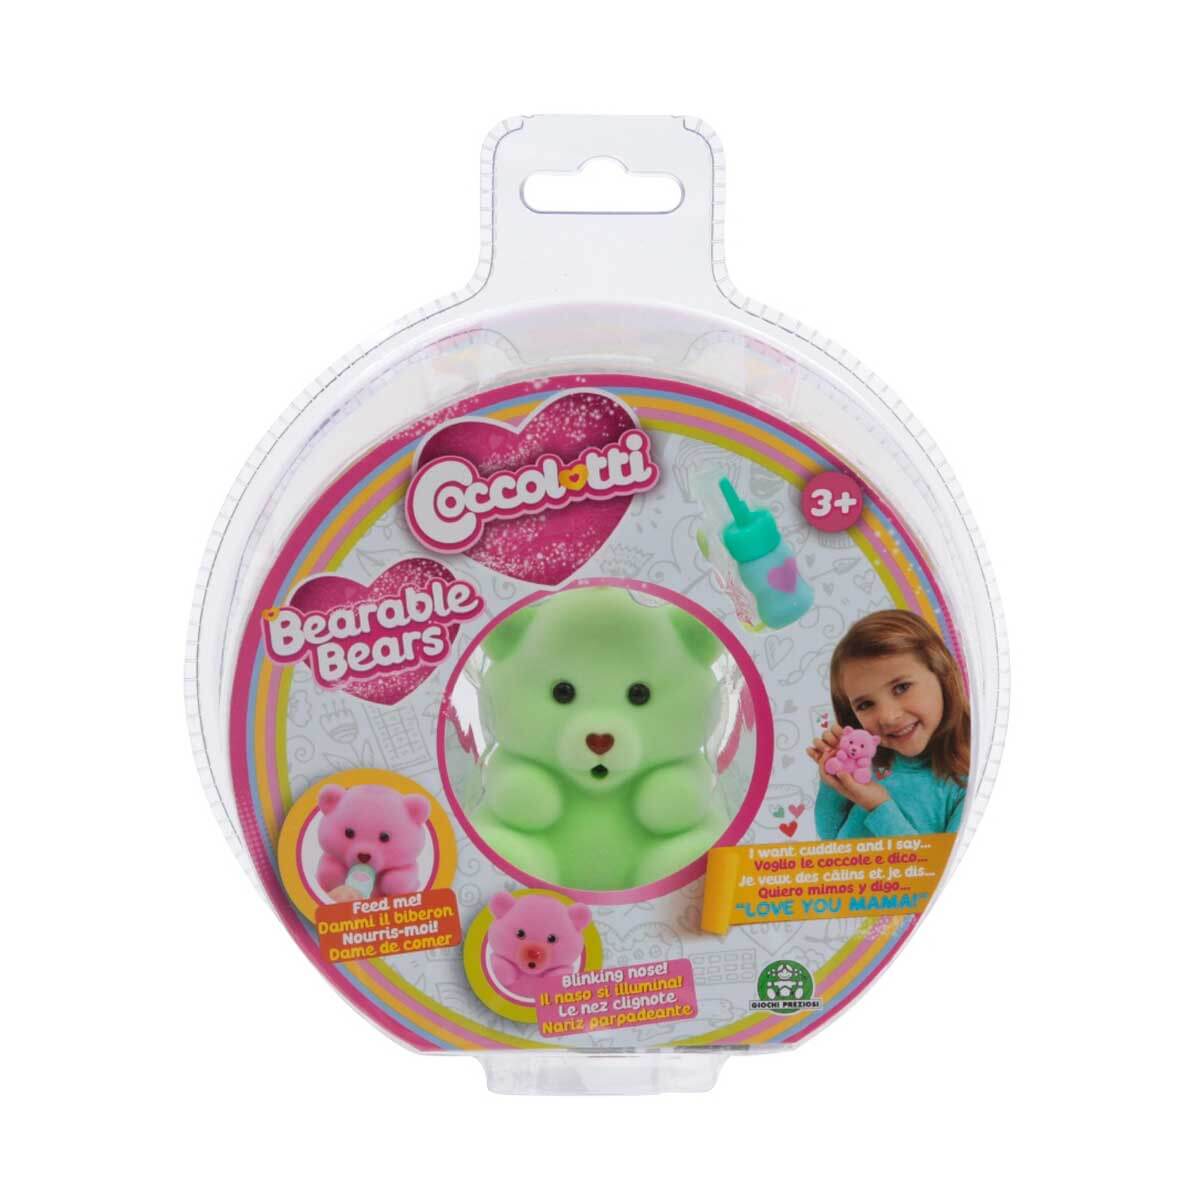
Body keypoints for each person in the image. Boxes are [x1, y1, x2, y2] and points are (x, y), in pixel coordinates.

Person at [807, 610, 970, 838]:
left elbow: (947, 861)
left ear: (942, 674)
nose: (888, 717)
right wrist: (834, 783)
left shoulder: (971, 784)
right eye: (865, 704)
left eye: (901, 688)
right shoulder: (867, 764)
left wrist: (879, 806)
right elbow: (830, 839)